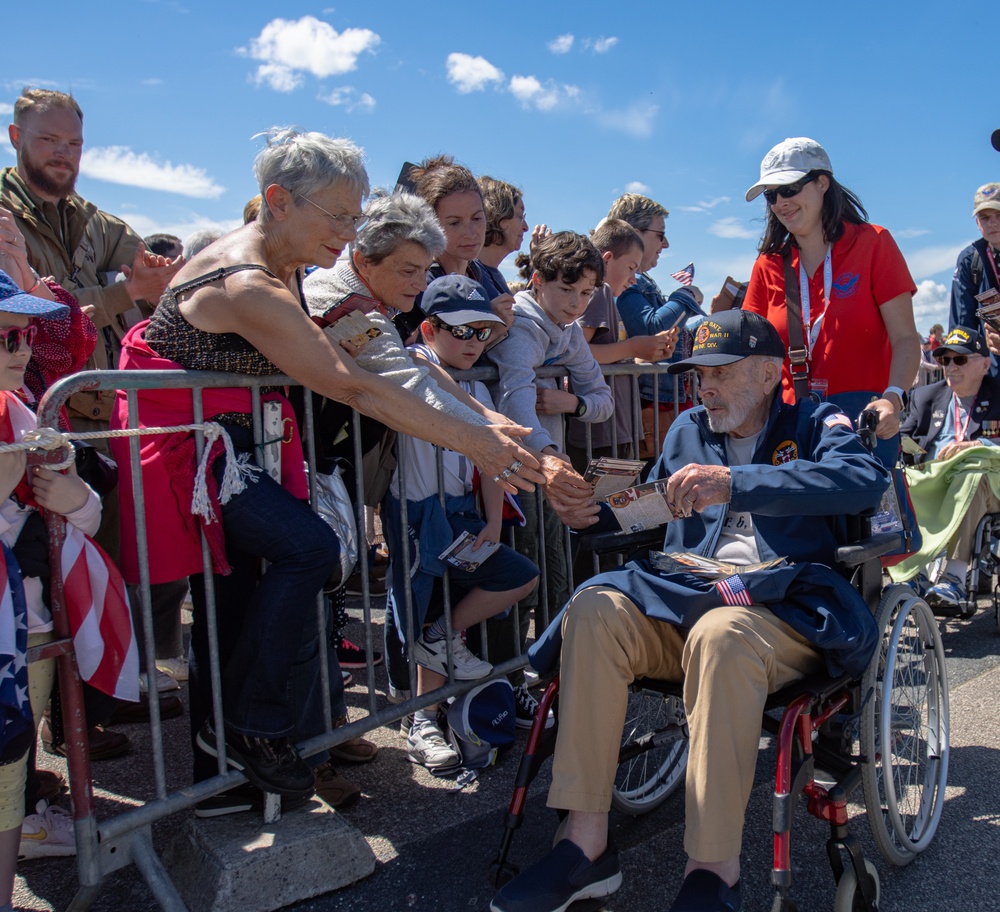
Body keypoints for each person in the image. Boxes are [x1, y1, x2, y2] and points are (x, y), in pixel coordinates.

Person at [111, 127, 548, 800]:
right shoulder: (248, 282)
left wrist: (486, 423)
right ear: (279, 200)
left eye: (354, 216)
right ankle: (251, 727)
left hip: (233, 448)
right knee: (308, 550)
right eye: (338, 217)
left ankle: (240, 740)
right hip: (192, 454)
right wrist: (475, 442)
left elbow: (391, 371)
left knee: (278, 580)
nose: (349, 232)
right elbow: (352, 383)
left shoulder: (282, 265)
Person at [490, 309, 890, 912]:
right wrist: (591, 511)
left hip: (778, 609)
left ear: (767, 373)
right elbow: (648, 506)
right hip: (690, 596)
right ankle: (585, 845)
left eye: (718, 372)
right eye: (697, 373)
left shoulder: (812, 419)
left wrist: (735, 482)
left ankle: (713, 871)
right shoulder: (686, 431)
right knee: (597, 607)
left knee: (721, 633)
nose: (703, 386)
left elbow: (861, 478)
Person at [383, 275, 539, 770]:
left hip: (458, 514)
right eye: (462, 331)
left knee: (516, 576)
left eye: (483, 333)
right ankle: (420, 719)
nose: (475, 342)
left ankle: (439, 654)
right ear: (428, 329)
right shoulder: (411, 362)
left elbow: (491, 458)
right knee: (416, 609)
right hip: (413, 511)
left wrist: (493, 522)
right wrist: (484, 418)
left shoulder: (474, 385)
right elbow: (430, 378)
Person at [0, 272, 103, 899]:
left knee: (11, 778)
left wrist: (76, 496)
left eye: (23, 335)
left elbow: (83, 520)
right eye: (7, 338)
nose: (22, 351)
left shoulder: (22, 411)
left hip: (29, 626)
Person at [487, 231, 614, 723]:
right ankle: (510, 680)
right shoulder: (520, 326)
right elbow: (516, 396)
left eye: (586, 295)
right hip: (512, 475)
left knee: (553, 569)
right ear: (537, 281)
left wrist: (571, 402)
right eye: (566, 291)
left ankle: (552, 672)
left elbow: (601, 400)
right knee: (522, 575)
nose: (576, 305)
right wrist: (551, 454)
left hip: (542, 469)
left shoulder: (570, 330)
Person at [742, 137, 920, 453]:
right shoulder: (767, 264)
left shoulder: (874, 243)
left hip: (864, 423)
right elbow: (751, 354)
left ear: (822, 182)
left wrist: (893, 397)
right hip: (790, 427)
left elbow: (905, 338)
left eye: (790, 188)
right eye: (771, 194)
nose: (781, 201)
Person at [892, 327, 1000, 611]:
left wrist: (974, 446)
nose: (951, 367)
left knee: (971, 476)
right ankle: (915, 574)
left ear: (985, 364)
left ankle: (955, 576)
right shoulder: (926, 396)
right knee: (895, 480)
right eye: (945, 360)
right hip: (935, 478)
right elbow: (902, 439)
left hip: (988, 482)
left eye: (960, 360)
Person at [566, 218, 676, 468]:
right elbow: (578, 352)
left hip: (614, 429)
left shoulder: (606, 296)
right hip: (602, 432)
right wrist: (633, 347)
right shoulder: (598, 291)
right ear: (606, 259)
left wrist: (645, 354)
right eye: (630, 268)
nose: (634, 279)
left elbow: (607, 355)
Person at [607, 193, 698, 458]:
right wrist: (687, 297)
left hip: (655, 401)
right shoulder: (626, 283)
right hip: (649, 404)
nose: (666, 243)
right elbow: (652, 328)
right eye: (660, 235)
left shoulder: (637, 281)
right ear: (635, 233)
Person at [949, 184, 1000, 375]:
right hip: (991, 377)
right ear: (977, 223)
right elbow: (962, 326)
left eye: (998, 215)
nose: (992, 223)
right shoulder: (970, 260)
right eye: (985, 217)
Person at [476, 176, 528, 299]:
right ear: (497, 216)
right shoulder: (469, 274)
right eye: (520, 217)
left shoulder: (493, 275)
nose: (525, 227)